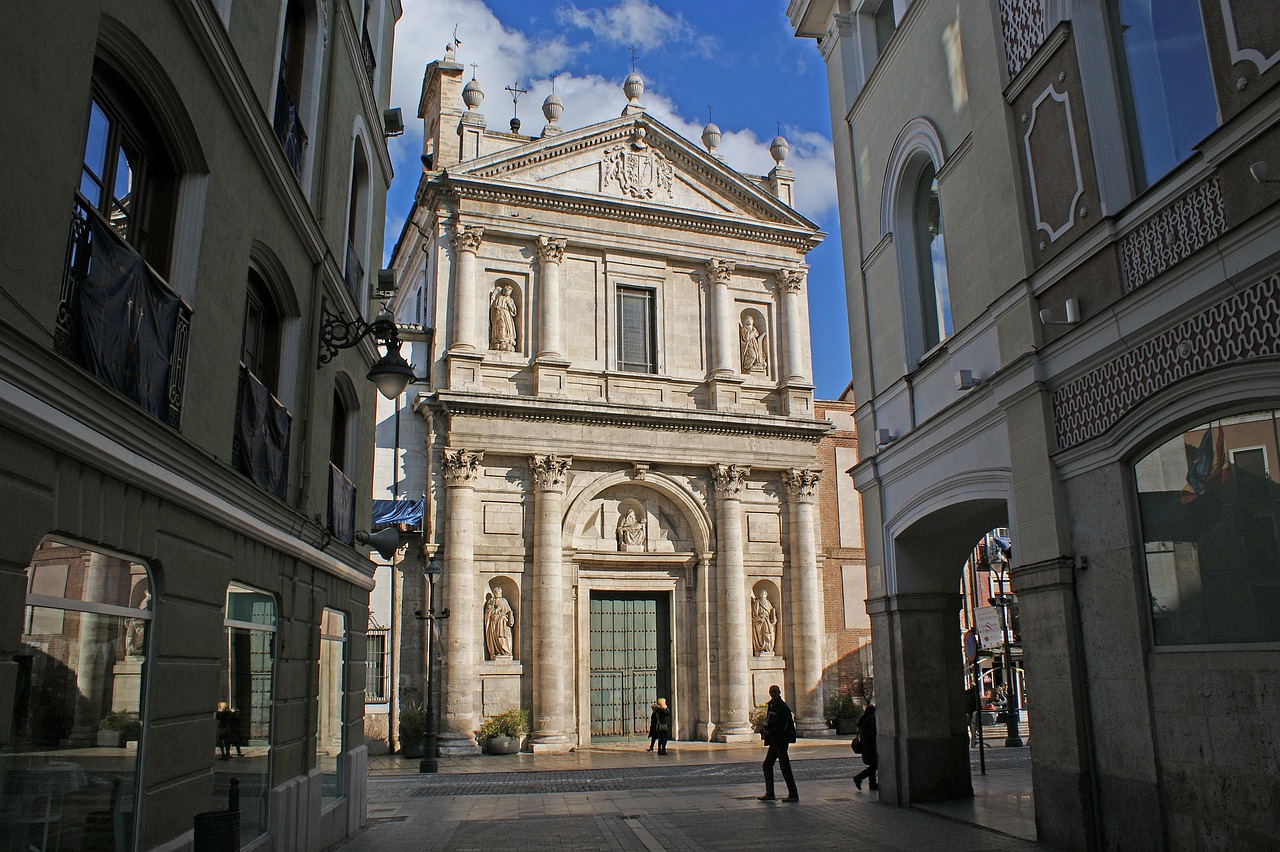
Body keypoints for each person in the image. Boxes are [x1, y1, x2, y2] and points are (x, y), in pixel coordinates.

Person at [758, 684, 798, 802]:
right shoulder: (772, 705)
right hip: (775, 740)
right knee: (767, 765)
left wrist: (769, 732)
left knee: (784, 767)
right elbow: (771, 721)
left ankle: (793, 794)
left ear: (779, 692)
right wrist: (765, 729)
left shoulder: (782, 706)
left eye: (775, 691)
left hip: (780, 740)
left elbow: (781, 725)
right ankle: (770, 793)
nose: (773, 693)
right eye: (771, 692)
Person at [484, 585, 515, 659]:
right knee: (496, 637)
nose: (497, 593)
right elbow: (488, 612)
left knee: (503, 637)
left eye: (498, 592)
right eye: (496, 592)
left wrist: (509, 619)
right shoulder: (491, 601)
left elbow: (509, 612)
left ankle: (506, 652)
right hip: (494, 623)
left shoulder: (504, 601)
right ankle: (496, 651)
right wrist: (494, 610)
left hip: (503, 623)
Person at [853, 703, 878, 791]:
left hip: (867, 747)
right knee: (875, 765)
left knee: (873, 765)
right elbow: (873, 734)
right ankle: (859, 778)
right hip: (871, 747)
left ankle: (872, 783)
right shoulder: (870, 721)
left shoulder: (864, 720)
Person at [489, 284, 517, 351]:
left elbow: (514, 311)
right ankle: (500, 340)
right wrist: (497, 308)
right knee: (501, 326)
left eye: (510, 291)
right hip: (501, 314)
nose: (509, 292)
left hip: (507, 314)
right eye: (508, 291)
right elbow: (495, 306)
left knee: (508, 328)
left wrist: (510, 306)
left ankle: (508, 340)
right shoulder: (500, 298)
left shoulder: (511, 300)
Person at [751, 589, 777, 654]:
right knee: (760, 634)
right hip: (760, 620)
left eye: (764, 594)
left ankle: (768, 648)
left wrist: (773, 618)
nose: (763, 595)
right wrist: (759, 618)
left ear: (766, 595)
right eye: (762, 594)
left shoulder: (768, 603)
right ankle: (761, 648)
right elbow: (754, 612)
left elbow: (771, 612)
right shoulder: (757, 602)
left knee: (768, 633)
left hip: (767, 620)